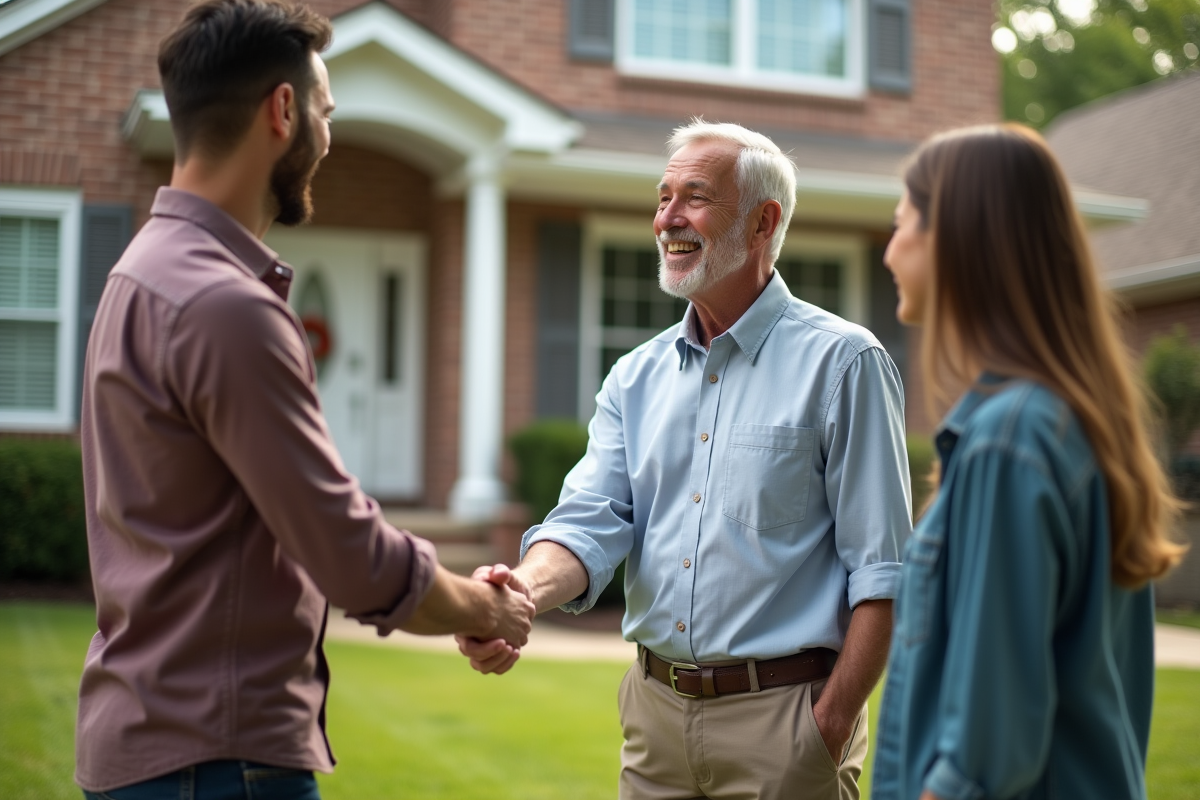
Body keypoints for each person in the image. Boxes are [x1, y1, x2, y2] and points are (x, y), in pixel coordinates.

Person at [75, 1, 534, 798]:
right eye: (325, 110)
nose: (328, 135)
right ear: (282, 112)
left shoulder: (138, 272)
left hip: (150, 742)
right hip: (215, 760)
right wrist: (485, 609)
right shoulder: (226, 307)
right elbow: (347, 553)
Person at [460, 121, 913, 799]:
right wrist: (519, 593)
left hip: (786, 725)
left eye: (694, 197)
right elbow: (591, 520)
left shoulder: (844, 364)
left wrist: (829, 722)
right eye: (663, 196)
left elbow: (883, 574)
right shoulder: (633, 379)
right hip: (654, 720)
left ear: (763, 223)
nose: (667, 218)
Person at [870, 124, 1188, 800]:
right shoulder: (1066, 422)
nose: (890, 250)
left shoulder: (1007, 442)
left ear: (955, 240)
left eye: (903, 224)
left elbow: (985, 754)